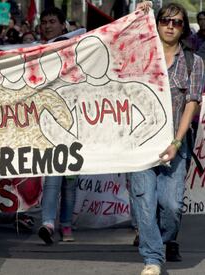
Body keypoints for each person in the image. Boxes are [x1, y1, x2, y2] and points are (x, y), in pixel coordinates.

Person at [130, 2, 204, 275]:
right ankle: (152, 258)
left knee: (172, 207)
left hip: (174, 145)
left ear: (184, 27)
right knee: (145, 205)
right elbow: (117, 48)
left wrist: (176, 143)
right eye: (165, 21)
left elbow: (191, 104)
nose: (170, 26)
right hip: (140, 145)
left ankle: (164, 240)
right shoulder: (141, 57)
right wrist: (137, 17)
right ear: (157, 24)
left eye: (177, 22)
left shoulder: (193, 62)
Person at [36, 6, 77, 245]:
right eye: (45, 22)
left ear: (63, 25)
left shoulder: (77, 50)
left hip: (74, 126)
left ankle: (67, 224)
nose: (48, 25)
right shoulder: (37, 53)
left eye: (52, 21)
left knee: (70, 183)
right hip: (49, 126)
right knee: (52, 178)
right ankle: (48, 223)